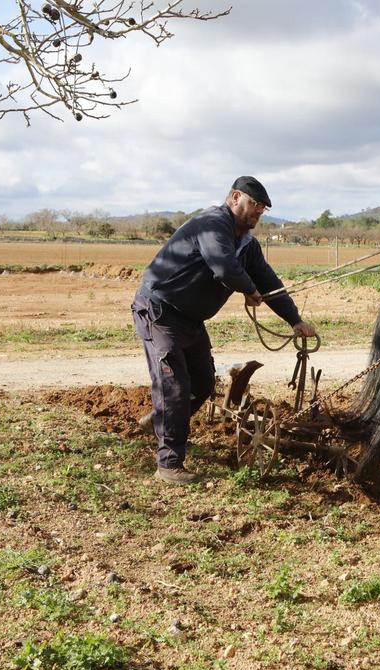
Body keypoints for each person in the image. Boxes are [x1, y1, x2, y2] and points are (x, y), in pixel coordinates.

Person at [131, 176, 318, 485]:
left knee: (203, 384)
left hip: (190, 319)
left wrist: (294, 320)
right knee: (174, 387)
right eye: (254, 204)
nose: (258, 211)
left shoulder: (248, 244)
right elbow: (223, 266)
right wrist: (247, 289)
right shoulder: (212, 223)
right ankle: (169, 464)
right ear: (234, 198)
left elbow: (270, 284)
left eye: (263, 208)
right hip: (159, 311)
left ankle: (162, 421)